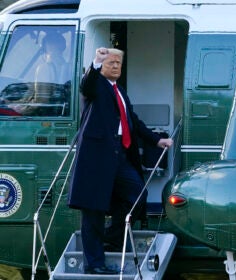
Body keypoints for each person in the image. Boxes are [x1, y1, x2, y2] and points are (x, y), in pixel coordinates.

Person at [68, 47, 173, 275]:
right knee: (93, 210)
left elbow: (133, 121)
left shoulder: (120, 91)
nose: (115, 66)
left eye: (119, 64)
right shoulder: (95, 85)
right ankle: (94, 264)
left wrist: (157, 141)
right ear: (102, 65)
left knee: (137, 196)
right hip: (96, 157)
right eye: (111, 63)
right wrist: (96, 62)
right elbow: (86, 85)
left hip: (119, 155)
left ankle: (111, 239)